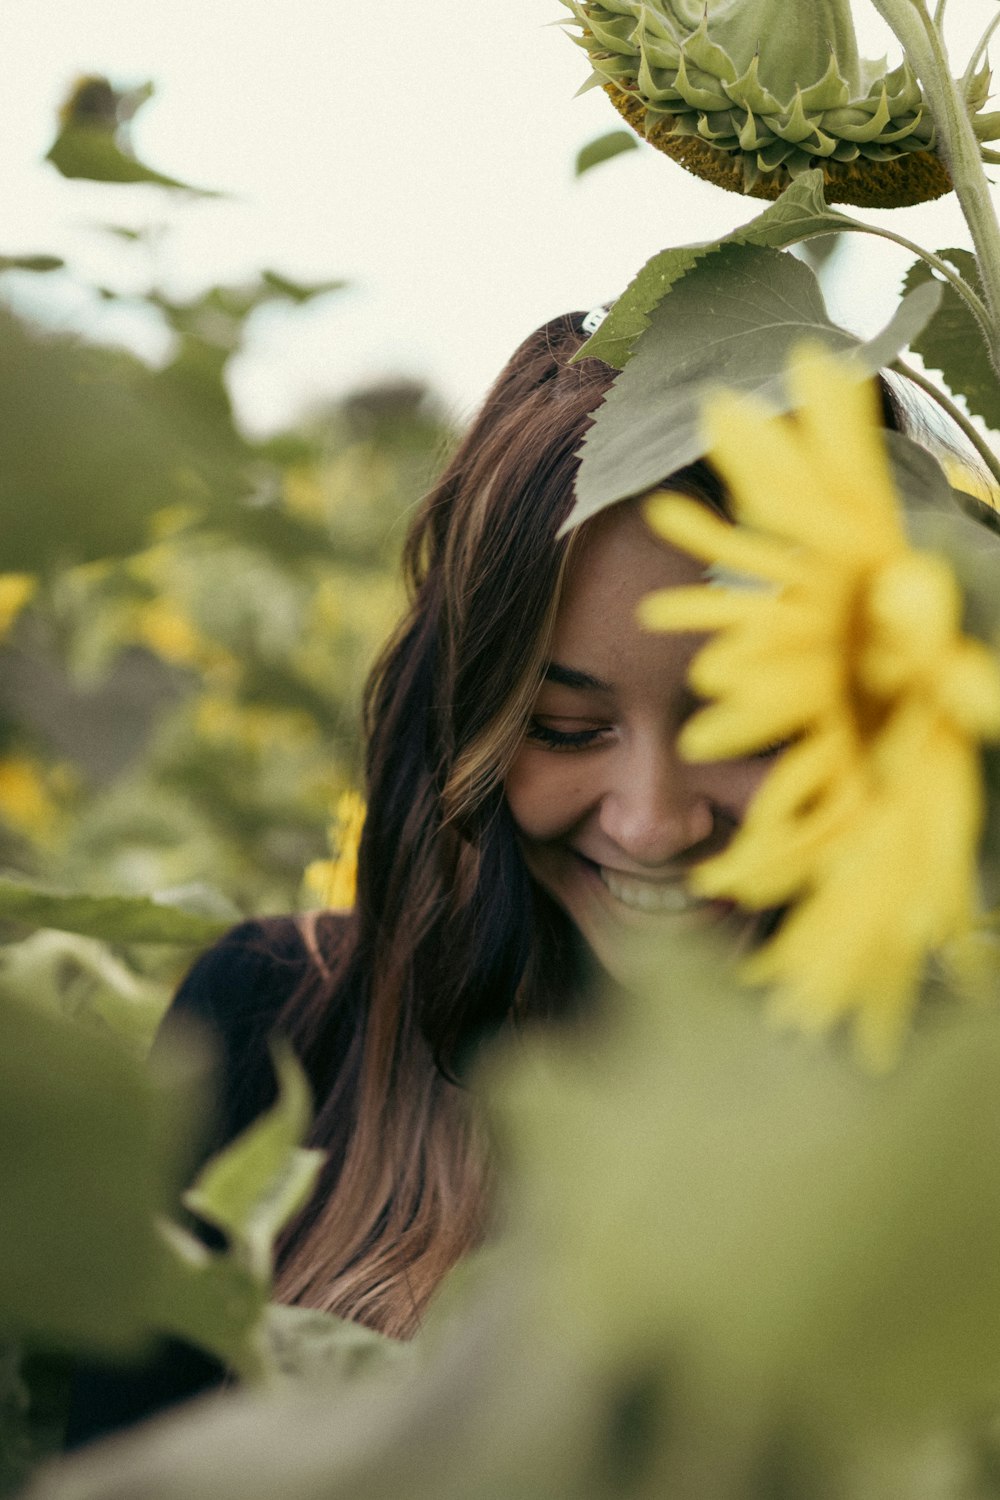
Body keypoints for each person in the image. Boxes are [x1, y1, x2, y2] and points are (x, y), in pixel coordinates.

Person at [66, 309, 902, 1445]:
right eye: (564, 729)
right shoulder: (272, 1026)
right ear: (462, 725)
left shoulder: (937, 1108)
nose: (653, 824)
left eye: (748, 725)